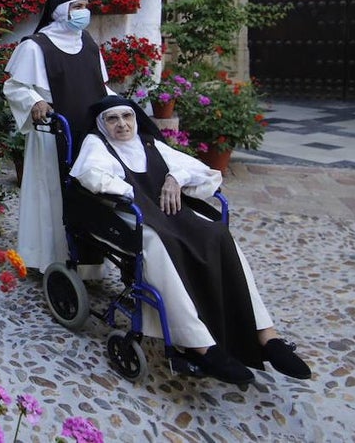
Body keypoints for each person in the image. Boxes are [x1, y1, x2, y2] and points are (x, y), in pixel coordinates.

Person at [69, 95, 312, 384]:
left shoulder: (150, 143)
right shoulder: (97, 145)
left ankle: (266, 336)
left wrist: (175, 178)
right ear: (102, 124)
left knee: (218, 234)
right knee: (160, 245)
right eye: (113, 119)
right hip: (128, 218)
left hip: (169, 212)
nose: (122, 124)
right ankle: (200, 345)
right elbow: (90, 174)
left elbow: (203, 172)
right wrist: (129, 191)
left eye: (128, 116)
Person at [3, 0, 111, 274]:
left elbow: (102, 85)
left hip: (89, 133)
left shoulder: (88, 43)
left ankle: (87, 265)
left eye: (86, 6)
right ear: (60, 10)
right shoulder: (35, 46)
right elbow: (14, 86)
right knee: (51, 194)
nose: (84, 13)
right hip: (53, 131)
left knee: (90, 193)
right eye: (78, 7)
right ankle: (48, 260)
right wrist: (34, 100)